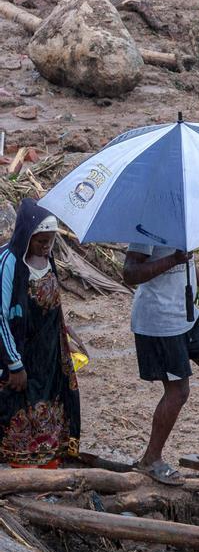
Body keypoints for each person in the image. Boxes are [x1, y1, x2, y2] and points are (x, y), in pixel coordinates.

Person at [123, 243, 199, 485]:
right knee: (178, 391)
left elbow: (188, 262)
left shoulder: (184, 221)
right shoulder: (147, 227)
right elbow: (129, 274)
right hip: (158, 319)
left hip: (186, 313)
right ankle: (151, 459)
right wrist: (173, 260)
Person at [0, 200, 85, 468]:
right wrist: (14, 364)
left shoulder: (48, 260)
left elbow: (52, 301)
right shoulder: (8, 263)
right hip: (20, 352)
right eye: (41, 241)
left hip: (49, 352)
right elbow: (0, 318)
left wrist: (65, 332)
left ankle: (48, 466)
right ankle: (21, 470)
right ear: (27, 236)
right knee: (20, 407)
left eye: (50, 241)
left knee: (52, 402)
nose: (46, 247)